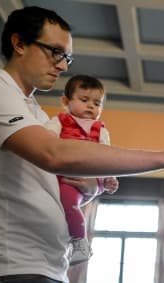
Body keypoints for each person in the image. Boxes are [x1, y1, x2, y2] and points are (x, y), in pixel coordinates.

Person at [0, 6, 164, 283]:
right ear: (19, 43)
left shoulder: (36, 114)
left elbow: (52, 179)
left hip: (47, 268)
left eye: (67, 57)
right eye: (55, 52)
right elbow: (54, 155)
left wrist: (90, 190)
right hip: (12, 269)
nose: (64, 66)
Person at [44, 75, 119, 265]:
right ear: (65, 101)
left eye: (97, 103)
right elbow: (46, 140)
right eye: (84, 100)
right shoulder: (59, 121)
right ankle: (78, 240)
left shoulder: (100, 129)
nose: (91, 106)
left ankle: (80, 243)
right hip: (68, 176)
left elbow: (107, 154)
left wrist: (109, 177)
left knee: (70, 204)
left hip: (92, 173)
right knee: (68, 203)